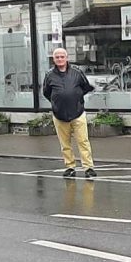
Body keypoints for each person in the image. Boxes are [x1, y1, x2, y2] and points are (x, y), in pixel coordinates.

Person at [42, 48, 97, 178]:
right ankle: (70, 167)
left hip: (77, 113)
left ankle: (88, 167)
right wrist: (56, 103)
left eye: (62, 57)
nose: (60, 59)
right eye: (57, 57)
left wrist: (76, 98)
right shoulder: (49, 75)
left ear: (67, 58)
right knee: (65, 144)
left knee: (83, 141)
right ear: (54, 59)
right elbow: (46, 92)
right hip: (59, 115)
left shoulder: (77, 72)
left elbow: (86, 87)